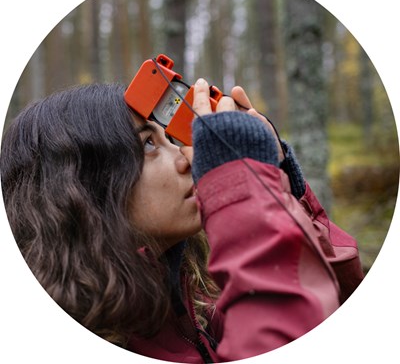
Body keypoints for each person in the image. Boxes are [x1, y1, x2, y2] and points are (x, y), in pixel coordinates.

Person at [0, 77, 364, 363]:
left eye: (171, 139)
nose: (187, 158)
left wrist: (280, 186)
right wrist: (244, 195)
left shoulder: (199, 302)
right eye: (147, 144)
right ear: (81, 188)